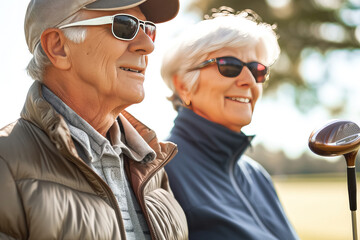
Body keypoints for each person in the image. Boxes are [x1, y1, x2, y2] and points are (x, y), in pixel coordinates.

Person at [0, 0, 188, 239]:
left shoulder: (151, 167)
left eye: (147, 28)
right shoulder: (5, 164)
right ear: (58, 47)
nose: (147, 45)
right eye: (125, 25)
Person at [161, 6, 299, 240]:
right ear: (184, 85)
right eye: (229, 66)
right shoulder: (161, 172)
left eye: (258, 70)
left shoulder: (257, 176)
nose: (248, 81)